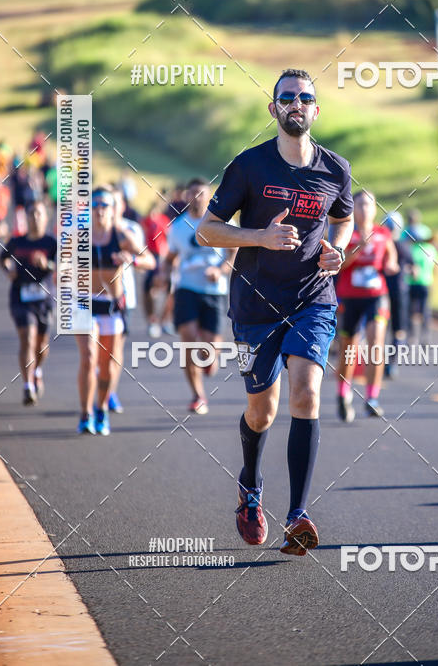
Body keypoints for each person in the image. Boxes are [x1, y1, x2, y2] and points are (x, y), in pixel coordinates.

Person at [196, 68, 354, 556]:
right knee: (261, 410)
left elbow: (344, 221)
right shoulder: (248, 166)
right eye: (287, 98)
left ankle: (297, 515)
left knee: (306, 394)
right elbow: (207, 229)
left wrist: (338, 251)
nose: (296, 104)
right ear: (274, 109)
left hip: (312, 299)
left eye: (305, 98)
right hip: (254, 305)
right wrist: (259, 237)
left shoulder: (335, 169)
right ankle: (250, 486)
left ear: (315, 109)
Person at [75, 186, 152, 435]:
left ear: (113, 209)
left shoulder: (121, 235)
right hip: (84, 302)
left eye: (104, 206)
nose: (99, 211)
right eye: (95, 205)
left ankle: (101, 409)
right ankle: (85, 414)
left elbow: (150, 260)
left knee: (108, 366)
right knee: (88, 358)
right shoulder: (80, 235)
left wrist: (132, 260)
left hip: (111, 305)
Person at [164, 178, 235, 414]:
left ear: (209, 196)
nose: (196, 198)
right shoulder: (179, 226)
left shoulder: (222, 221)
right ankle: (198, 395)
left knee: (209, 352)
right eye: (191, 193)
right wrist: (163, 277)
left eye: (200, 193)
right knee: (188, 340)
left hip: (214, 291)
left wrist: (221, 270)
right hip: (186, 288)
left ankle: (209, 361)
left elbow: (234, 252)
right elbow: (170, 258)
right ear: (186, 197)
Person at [335, 190, 398, 421]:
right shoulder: (345, 233)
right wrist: (358, 248)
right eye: (359, 204)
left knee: (375, 344)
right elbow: (339, 265)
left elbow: (391, 257)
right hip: (349, 297)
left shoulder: (383, 233)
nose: (364, 209)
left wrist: (391, 265)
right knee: (348, 351)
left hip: (376, 296)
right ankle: (343, 394)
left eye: (369, 205)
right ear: (352, 208)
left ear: (375, 209)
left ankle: (372, 398)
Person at [0, 200, 55, 404]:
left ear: (46, 217)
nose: (35, 217)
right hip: (20, 296)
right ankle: (27, 386)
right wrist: (8, 271)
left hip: (44, 299)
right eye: (31, 213)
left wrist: (47, 263)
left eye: (39, 214)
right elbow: (2, 258)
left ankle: (37, 370)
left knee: (42, 346)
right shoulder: (17, 241)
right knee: (27, 338)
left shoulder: (52, 243)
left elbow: (63, 267)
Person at [384, 211, 412, 376]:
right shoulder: (403, 246)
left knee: (379, 328)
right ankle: (392, 363)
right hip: (400, 292)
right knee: (398, 330)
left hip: (382, 292)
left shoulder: (382, 244)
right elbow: (412, 268)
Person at [142, 200, 171, 339]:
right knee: (148, 288)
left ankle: (164, 320)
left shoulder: (164, 220)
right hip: (151, 256)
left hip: (162, 256)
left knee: (170, 289)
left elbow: (168, 239)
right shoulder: (146, 221)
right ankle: (152, 320)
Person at [406, 233, 438, 344]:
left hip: (412, 283)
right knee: (425, 311)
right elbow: (435, 268)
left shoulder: (411, 249)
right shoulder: (431, 249)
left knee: (412, 311)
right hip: (427, 283)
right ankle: (426, 336)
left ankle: (412, 336)